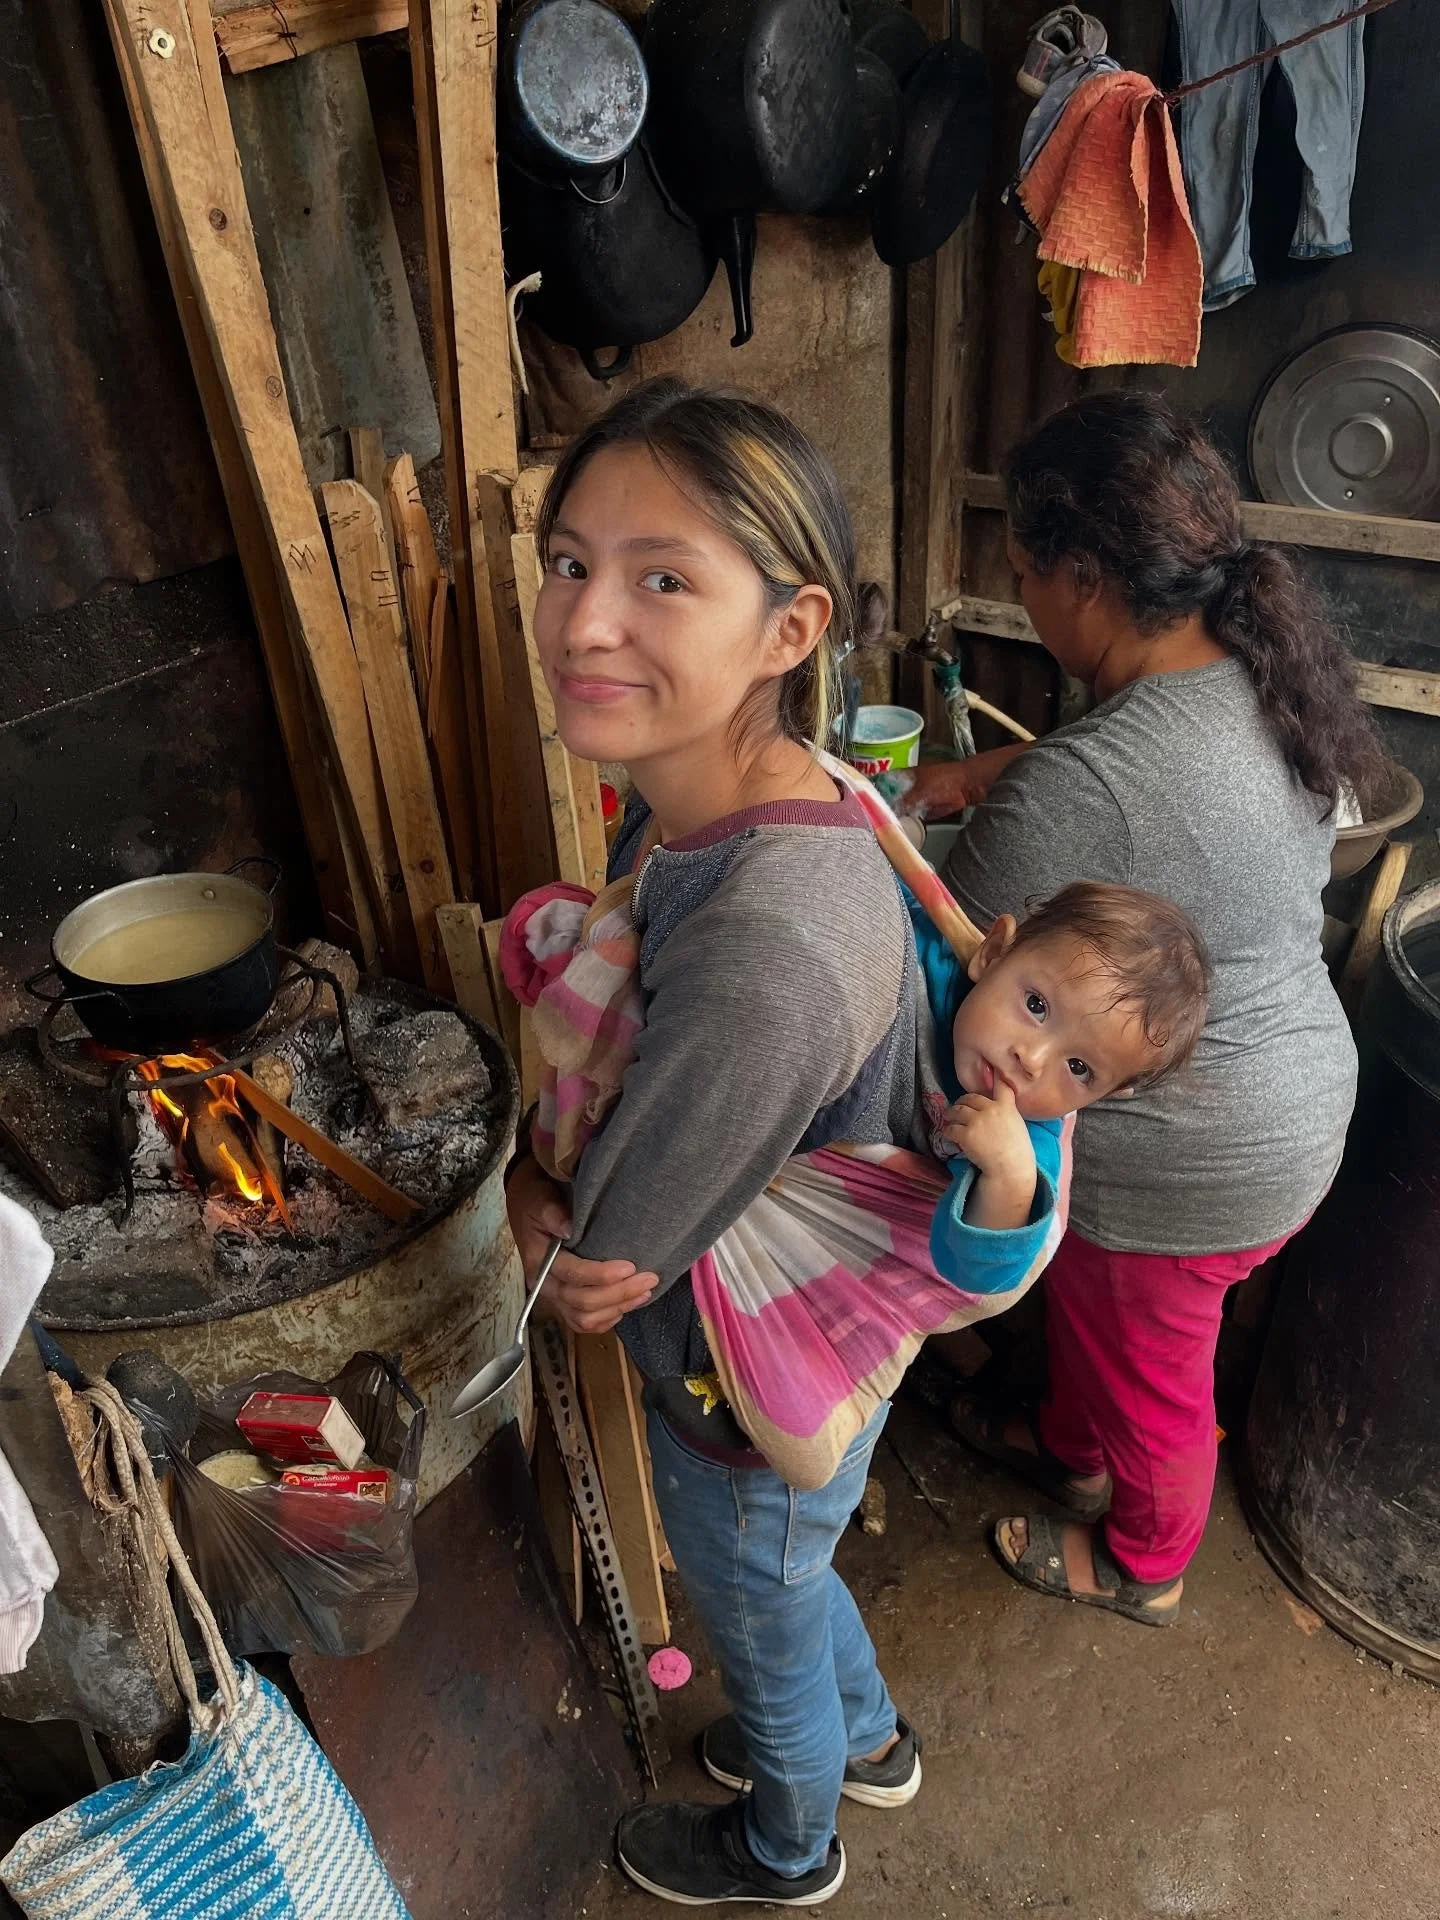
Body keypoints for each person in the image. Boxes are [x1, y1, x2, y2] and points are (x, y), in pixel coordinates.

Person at [503, 378, 921, 1908]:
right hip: (817, 1376)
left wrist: (527, 1188)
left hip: (742, 1393)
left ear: (791, 630)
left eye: (662, 577)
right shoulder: (715, 802)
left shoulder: (767, 944)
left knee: (757, 1614)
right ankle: (865, 1735)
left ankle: (786, 1843)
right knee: (789, 1587)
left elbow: (605, 1264)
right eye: (569, 561)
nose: (584, 620)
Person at [900, 390, 1386, 1627]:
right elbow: (1123, 766)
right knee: (1109, 1326)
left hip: (1197, 1162)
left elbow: (946, 950)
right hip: (1301, 1090)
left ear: (1082, 575)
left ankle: (1144, 1564)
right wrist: (973, 772)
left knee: (1155, 1377)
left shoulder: (1082, 790)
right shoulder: (1260, 675)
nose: (1026, 600)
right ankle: (1060, 1437)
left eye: (1024, 574)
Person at [914, 881, 1209, 1271]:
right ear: (995, 952)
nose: (1031, 1059)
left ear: (1104, 1095)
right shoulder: (923, 951)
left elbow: (974, 1272)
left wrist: (1008, 1182)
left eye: (1078, 1068)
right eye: (1036, 1005)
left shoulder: (1029, 1147)